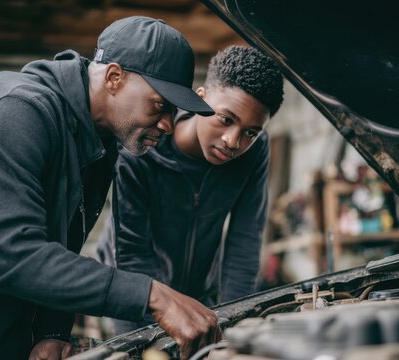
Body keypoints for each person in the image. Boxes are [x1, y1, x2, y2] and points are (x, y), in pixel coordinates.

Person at [0, 16, 221, 360]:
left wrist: (53, 330)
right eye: (160, 105)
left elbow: (64, 242)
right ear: (114, 78)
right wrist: (152, 295)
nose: (167, 123)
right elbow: (11, 254)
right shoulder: (13, 109)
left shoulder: (99, 143)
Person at [97, 45, 284, 333]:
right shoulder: (143, 147)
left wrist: (238, 326)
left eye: (250, 132)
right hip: (137, 290)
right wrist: (162, 327)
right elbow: (133, 252)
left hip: (200, 294)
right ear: (201, 98)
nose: (233, 142)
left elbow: (245, 240)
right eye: (226, 119)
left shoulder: (255, 153)